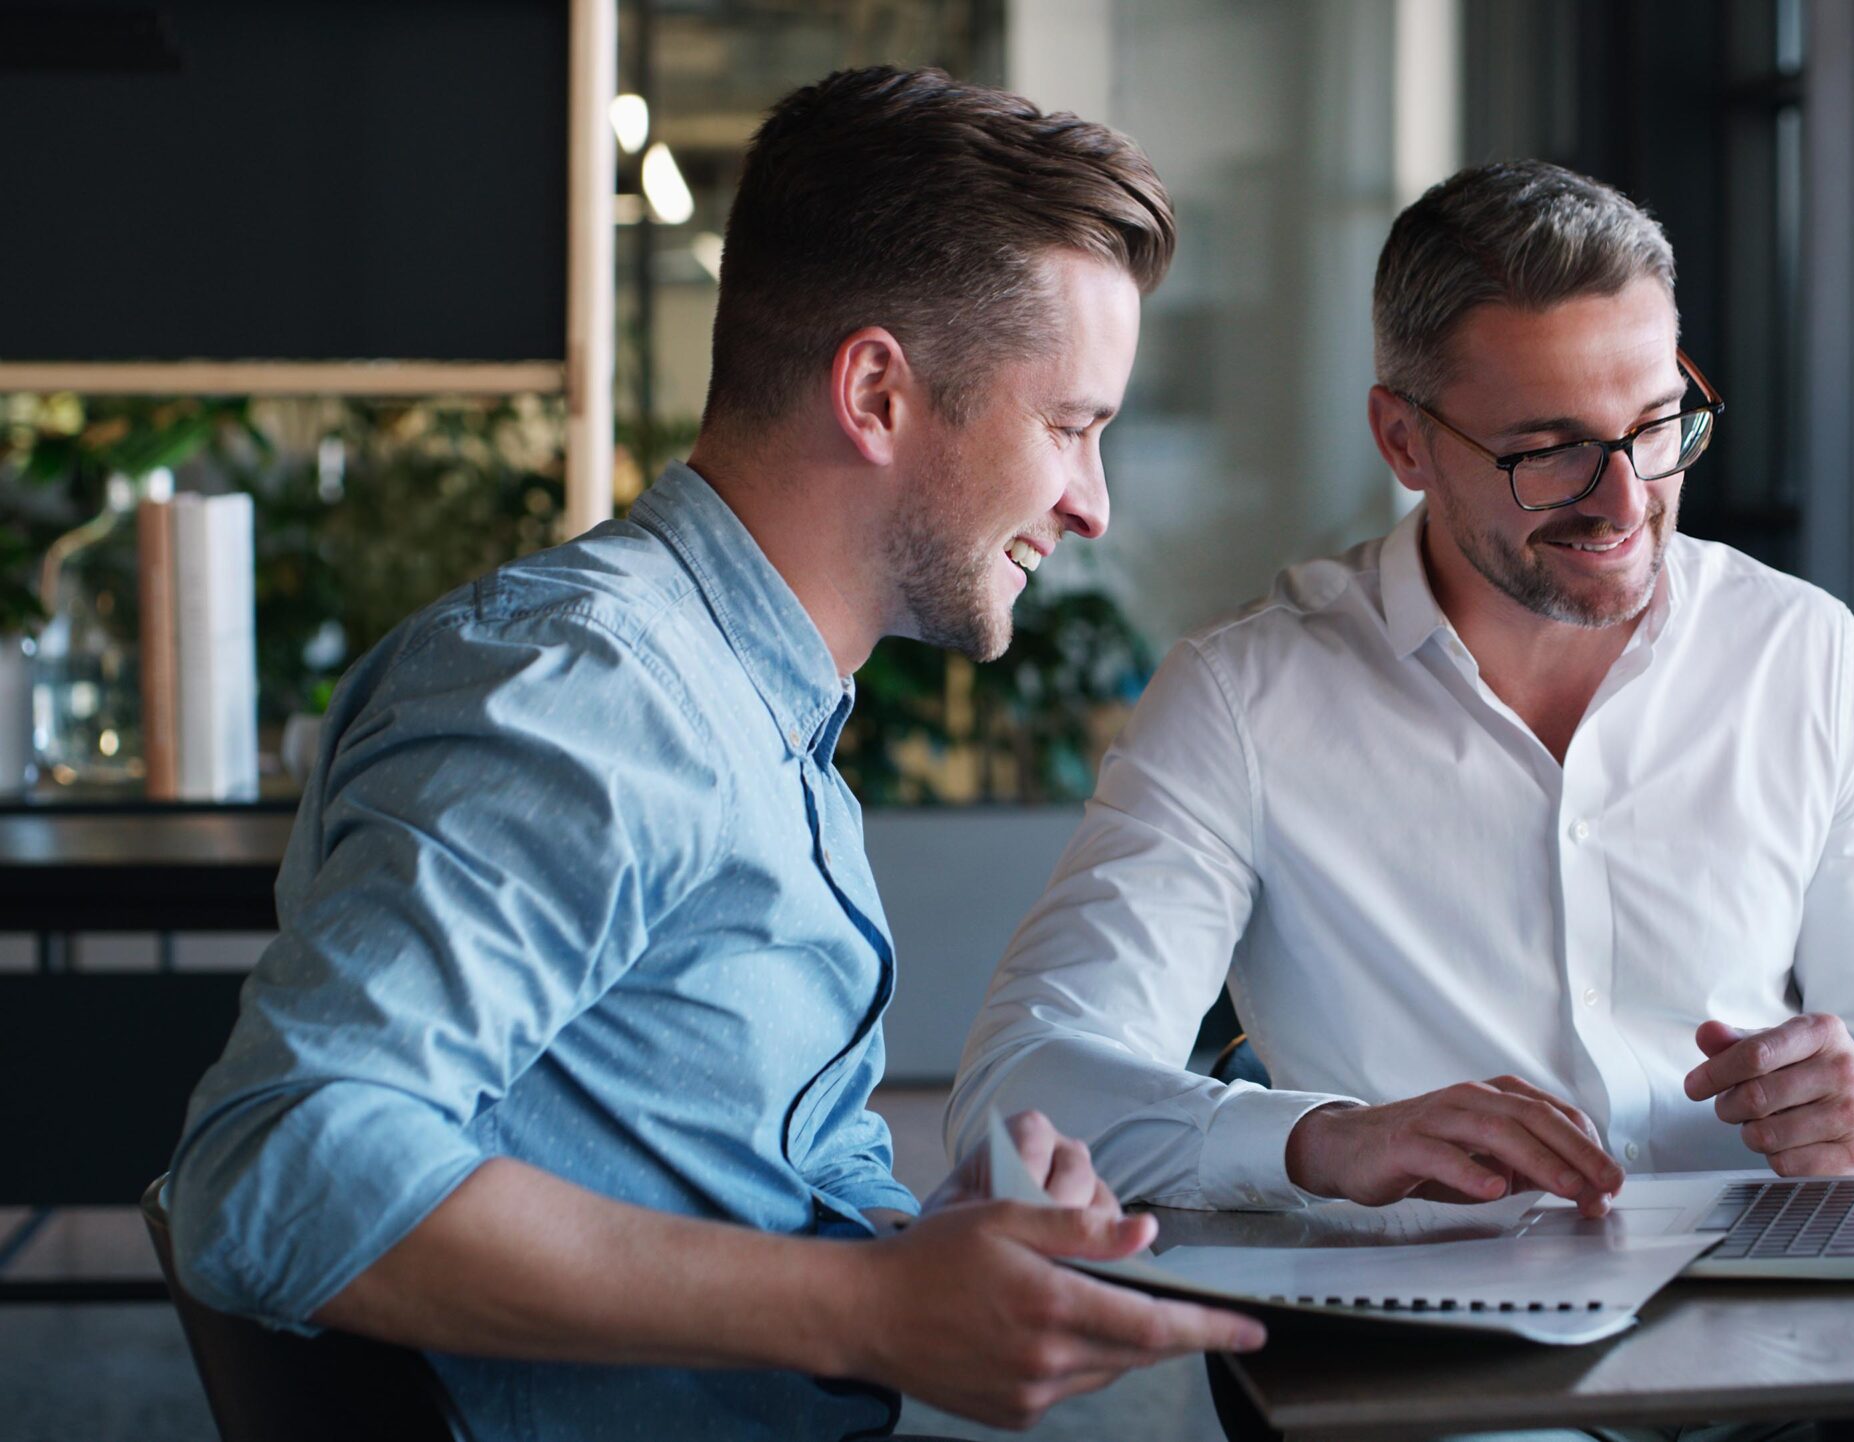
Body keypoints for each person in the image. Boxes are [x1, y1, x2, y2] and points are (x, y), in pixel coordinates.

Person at [166, 66, 1262, 1441]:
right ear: (876, 392)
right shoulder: (594, 689)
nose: (1091, 506)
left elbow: (723, 1172)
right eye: (1071, 428)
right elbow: (277, 1168)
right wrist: (867, 1312)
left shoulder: (754, 705)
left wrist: (927, 1249)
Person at [949, 157, 1854, 1228]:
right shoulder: (1245, 697)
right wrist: (1320, 1136)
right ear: (1403, 439)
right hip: (1436, 1360)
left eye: (1656, 422)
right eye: (1547, 453)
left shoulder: (1801, 653)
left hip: (1784, 1329)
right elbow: (1021, 1092)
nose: (1625, 500)